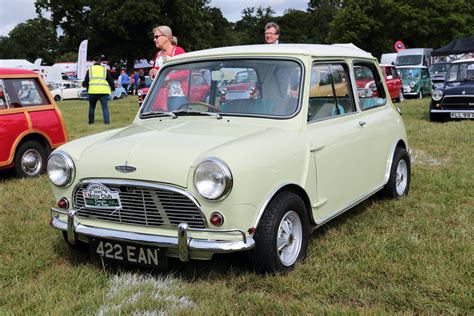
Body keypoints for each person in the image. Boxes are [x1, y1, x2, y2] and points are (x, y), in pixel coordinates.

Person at [82, 56, 115, 124]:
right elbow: (110, 80)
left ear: (93, 61)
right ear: (100, 62)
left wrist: (86, 87)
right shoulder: (104, 69)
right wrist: (113, 88)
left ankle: (91, 122)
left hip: (93, 91)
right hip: (103, 92)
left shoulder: (90, 69)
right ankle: (107, 122)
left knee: (92, 107)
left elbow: (86, 81)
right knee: (105, 107)